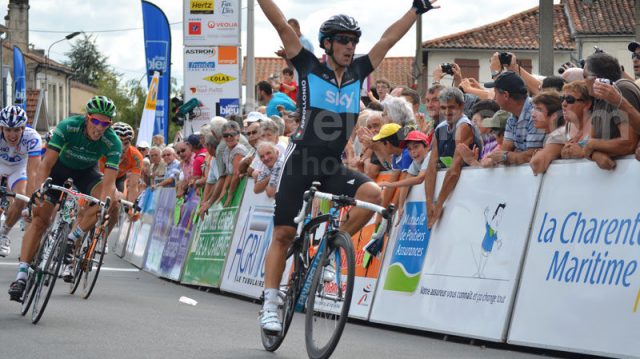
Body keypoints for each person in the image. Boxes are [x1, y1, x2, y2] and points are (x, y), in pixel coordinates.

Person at [256, 0, 440, 333]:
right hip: (300, 160)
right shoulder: (310, 66)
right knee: (283, 233)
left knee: (372, 194)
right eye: (343, 39)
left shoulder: (358, 72)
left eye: (354, 40)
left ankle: (329, 250)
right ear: (327, 43)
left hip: (330, 164)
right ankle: (270, 303)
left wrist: (416, 10)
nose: (350, 46)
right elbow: (282, 24)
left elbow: (387, 40)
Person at [8, 96, 122, 300]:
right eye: (95, 121)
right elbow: (46, 164)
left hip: (87, 173)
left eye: (104, 123)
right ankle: (22, 275)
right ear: (87, 118)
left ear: (109, 124)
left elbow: (110, 182)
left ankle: (72, 238)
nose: (99, 127)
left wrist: (104, 205)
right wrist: (40, 190)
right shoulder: (69, 126)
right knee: (41, 219)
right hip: (59, 169)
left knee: (111, 201)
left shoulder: (112, 141)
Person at [425, 87, 482, 228]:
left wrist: (438, 205)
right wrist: (429, 202)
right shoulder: (441, 128)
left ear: (461, 106)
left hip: (470, 190)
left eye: (452, 107)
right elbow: (431, 166)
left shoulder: (463, 127)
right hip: (452, 191)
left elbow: (454, 170)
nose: (447, 112)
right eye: (443, 108)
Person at [582, 52, 640, 170]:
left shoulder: (621, 89)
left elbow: (628, 144)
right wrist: (595, 154)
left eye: (584, 76)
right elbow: (587, 144)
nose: (583, 82)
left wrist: (593, 145)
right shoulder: (599, 99)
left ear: (597, 79)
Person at [0, 106, 42, 257]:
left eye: (17, 130)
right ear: (1, 128)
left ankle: (3, 234)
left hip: (19, 167)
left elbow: (33, 172)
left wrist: (31, 202)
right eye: (8, 130)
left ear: (23, 128)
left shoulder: (33, 137)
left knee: (21, 199)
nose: (12, 135)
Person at [484, 71, 546, 166]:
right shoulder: (512, 118)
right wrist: (493, 159)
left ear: (506, 95)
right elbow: (505, 150)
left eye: (495, 93)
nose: (494, 98)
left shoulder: (535, 113)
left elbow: (532, 155)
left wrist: (505, 156)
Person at [99, 122, 143, 202]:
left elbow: (133, 185)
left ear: (131, 142)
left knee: (119, 200)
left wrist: (130, 209)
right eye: (118, 142)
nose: (122, 148)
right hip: (100, 176)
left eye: (126, 143)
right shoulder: (101, 149)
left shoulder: (136, 156)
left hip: (119, 178)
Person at [529, 91, 565, 175]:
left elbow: (537, 165)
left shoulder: (558, 134)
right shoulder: (551, 135)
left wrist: (537, 155)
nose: (533, 114)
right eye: (534, 109)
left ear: (554, 115)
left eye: (539, 109)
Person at [560, 81, 593, 159]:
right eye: (562, 99)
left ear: (587, 104)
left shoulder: (597, 125)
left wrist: (583, 153)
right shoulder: (567, 126)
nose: (563, 104)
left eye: (570, 99)